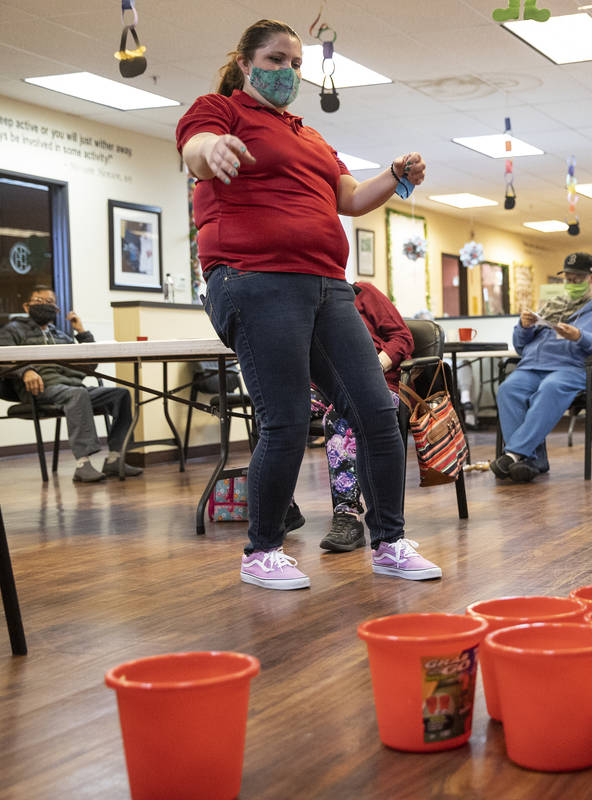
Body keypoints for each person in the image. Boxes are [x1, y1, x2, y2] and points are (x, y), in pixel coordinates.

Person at [176, 19, 438, 589]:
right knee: (287, 420)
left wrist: (393, 177)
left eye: (296, 63)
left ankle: (389, 542)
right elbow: (194, 149)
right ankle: (262, 550)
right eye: (274, 60)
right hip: (253, 279)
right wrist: (211, 148)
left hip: (326, 285)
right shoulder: (220, 111)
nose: (288, 72)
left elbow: (349, 198)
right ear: (245, 64)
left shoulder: (310, 135)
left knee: (379, 411)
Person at [494, 252, 592, 483]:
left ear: (591, 278)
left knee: (551, 387)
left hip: (576, 368)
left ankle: (513, 454)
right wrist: (523, 327)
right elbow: (521, 346)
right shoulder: (550, 307)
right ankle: (532, 460)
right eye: (568, 279)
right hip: (535, 366)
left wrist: (580, 336)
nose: (572, 283)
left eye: (578, 279)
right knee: (508, 389)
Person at [0, 286, 139, 483]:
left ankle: (115, 458)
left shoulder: (61, 336)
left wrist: (82, 331)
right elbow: (0, 361)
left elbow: (89, 365)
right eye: (39, 301)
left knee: (120, 394)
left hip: (72, 387)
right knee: (77, 395)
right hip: (41, 389)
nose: (44, 305)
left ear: (57, 310)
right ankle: (83, 464)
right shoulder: (12, 330)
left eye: (49, 301)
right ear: (26, 307)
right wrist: (25, 370)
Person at [310, 282, 413, 552]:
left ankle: (348, 517)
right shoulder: (303, 299)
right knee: (277, 412)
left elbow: (402, 338)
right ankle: (285, 511)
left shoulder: (362, 292)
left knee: (342, 418)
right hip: (322, 385)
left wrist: (373, 367)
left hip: (375, 383)